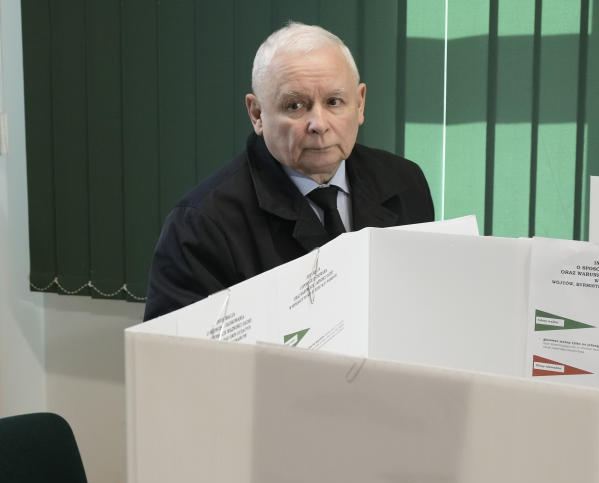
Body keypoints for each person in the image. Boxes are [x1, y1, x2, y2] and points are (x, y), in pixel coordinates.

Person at [143, 22, 434, 320]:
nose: (318, 124)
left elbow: (425, 305)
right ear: (257, 114)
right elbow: (177, 359)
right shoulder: (200, 225)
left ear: (359, 104)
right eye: (295, 106)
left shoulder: (405, 181)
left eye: (334, 102)